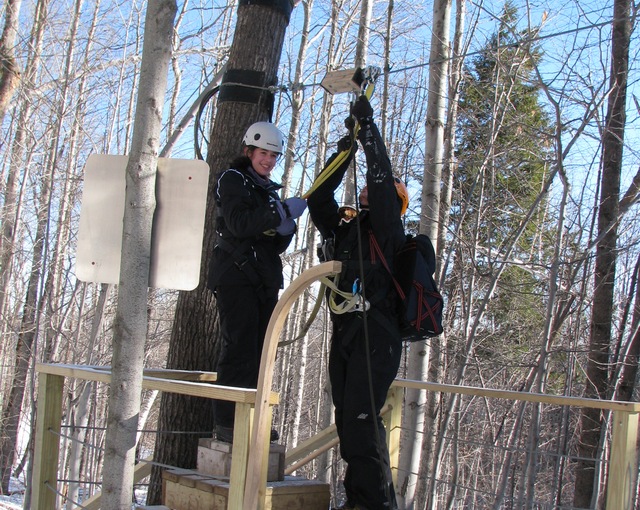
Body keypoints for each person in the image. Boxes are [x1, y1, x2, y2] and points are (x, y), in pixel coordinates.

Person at [307, 96, 408, 510]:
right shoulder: (348, 230)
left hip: (376, 335)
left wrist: (368, 130)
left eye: (379, 190)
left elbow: (380, 178)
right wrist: (344, 149)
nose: (366, 188)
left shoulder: (388, 229)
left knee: (362, 422)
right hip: (348, 332)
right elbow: (318, 197)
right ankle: (359, 500)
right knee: (349, 423)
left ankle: (376, 504)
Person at [207, 121, 307, 443]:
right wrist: (278, 213)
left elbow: (271, 244)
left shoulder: (266, 190)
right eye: (263, 153)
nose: (268, 160)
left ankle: (253, 417)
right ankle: (228, 422)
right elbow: (238, 224)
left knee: (264, 351)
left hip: (264, 278)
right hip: (235, 276)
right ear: (249, 151)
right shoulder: (232, 179)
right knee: (240, 346)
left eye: (273, 156)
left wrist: (286, 228)